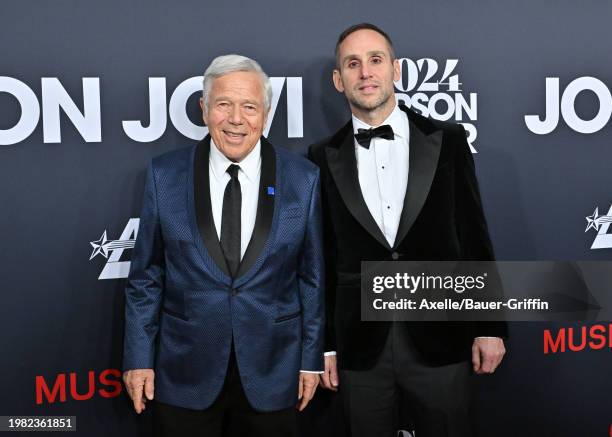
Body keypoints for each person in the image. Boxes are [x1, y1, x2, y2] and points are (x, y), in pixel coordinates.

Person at [308, 23, 507, 437]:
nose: (365, 72)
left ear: (395, 70)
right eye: (353, 63)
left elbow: (474, 236)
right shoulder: (320, 157)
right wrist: (323, 344)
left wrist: (489, 325)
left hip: (441, 335)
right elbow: (321, 258)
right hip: (360, 346)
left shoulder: (448, 139)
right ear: (338, 80)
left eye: (375, 60)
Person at [122, 54, 324, 437]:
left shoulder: (303, 178)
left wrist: (310, 360)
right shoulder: (164, 175)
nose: (236, 119)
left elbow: (311, 279)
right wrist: (138, 357)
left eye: (249, 106)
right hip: (184, 374)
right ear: (203, 109)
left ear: (265, 112)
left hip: (274, 373)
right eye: (223, 104)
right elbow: (146, 276)